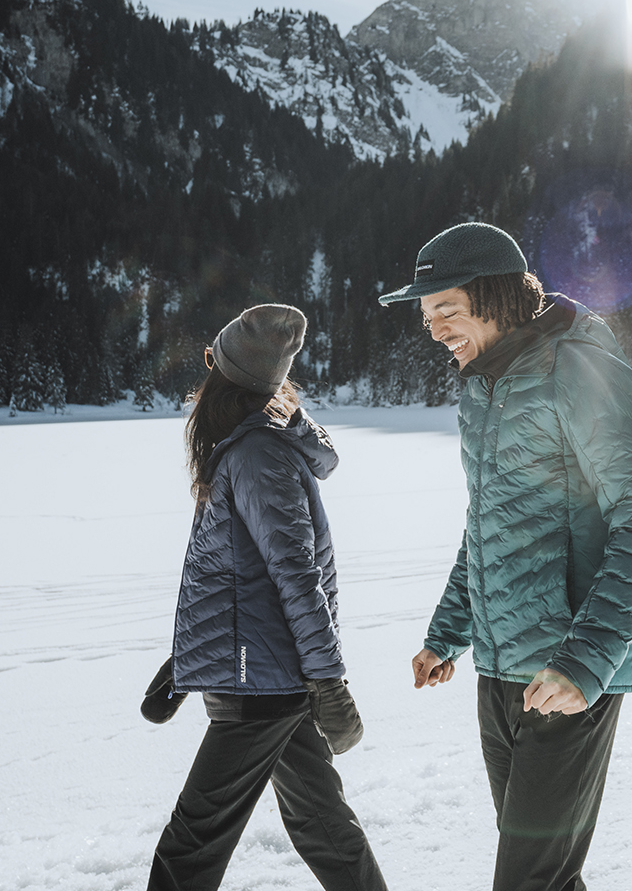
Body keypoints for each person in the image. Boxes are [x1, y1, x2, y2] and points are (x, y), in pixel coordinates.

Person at [378, 221, 632, 891]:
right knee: (546, 879)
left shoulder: (577, 364)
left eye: (444, 309)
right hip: (502, 667)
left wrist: (585, 660)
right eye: (425, 316)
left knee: (527, 882)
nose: (432, 328)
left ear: (495, 297)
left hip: (570, 671)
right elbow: (488, 519)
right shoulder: (481, 386)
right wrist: (447, 631)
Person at [147, 304, 387, 891]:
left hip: (260, 689)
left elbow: (296, 575)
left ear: (225, 380)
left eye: (211, 364)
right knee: (322, 826)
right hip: (266, 677)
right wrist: (185, 661)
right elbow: (239, 582)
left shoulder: (257, 455)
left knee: (190, 846)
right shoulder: (251, 447)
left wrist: (330, 683)